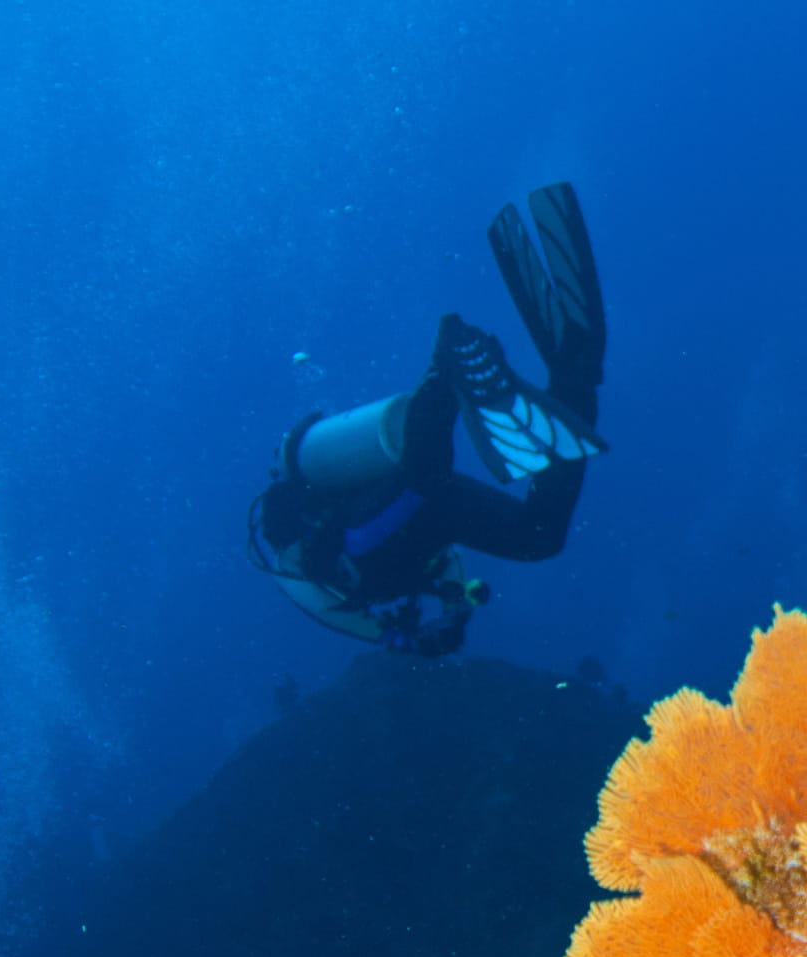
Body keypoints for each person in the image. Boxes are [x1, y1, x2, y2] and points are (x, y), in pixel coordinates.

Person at [246, 181, 606, 657]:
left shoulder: (298, 574)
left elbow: (342, 617)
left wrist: (410, 641)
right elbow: (447, 568)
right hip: (419, 528)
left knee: (425, 480)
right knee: (537, 538)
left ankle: (444, 372)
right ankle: (572, 384)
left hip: (362, 541)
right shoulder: (381, 559)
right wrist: (455, 613)